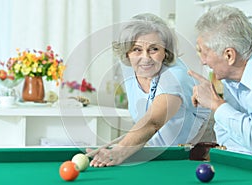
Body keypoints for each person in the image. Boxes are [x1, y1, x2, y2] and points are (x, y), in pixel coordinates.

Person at [87, 13, 210, 167]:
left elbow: (153, 121)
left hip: (192, 155)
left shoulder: (175, 76)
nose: (145, 58)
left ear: (165, 51)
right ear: (127, 53)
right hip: (156, 153)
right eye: (137, 49)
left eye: (154, 49)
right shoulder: (128, 67)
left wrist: (120, 151)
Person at [188, 5, 252, 157]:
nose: (203, 62)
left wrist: (216, 104)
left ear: (229, 55)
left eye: (204, 53)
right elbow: (225, 139)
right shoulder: (232, 77)